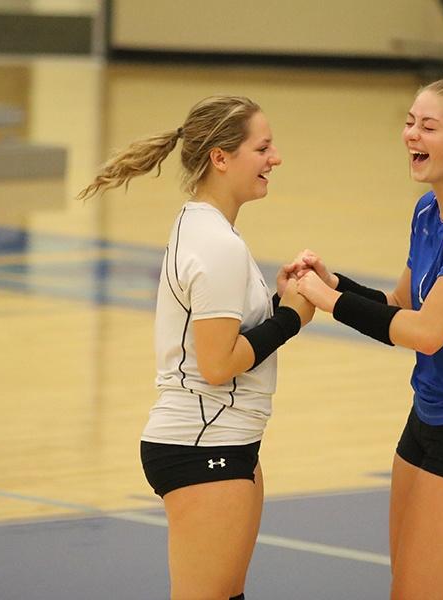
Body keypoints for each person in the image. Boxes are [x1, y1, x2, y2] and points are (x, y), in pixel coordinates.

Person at [289, 78, 443, 600]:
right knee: (404, 589)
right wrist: (337, 285)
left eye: (428, 126)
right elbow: (403, 306)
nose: (411, 135)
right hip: (427, 417)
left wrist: (330, 303)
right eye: (409, 122)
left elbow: (427, 333)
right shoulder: (430, 210)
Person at [78, 95, 315, 600]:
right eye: (263, 147)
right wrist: (292, 317)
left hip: (224, 441)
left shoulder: (206, 229)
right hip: (203, 444)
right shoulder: (217, 243)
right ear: (221, 158)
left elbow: (221, 338)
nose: (275, 158)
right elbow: (216, 364)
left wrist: (276, 305)